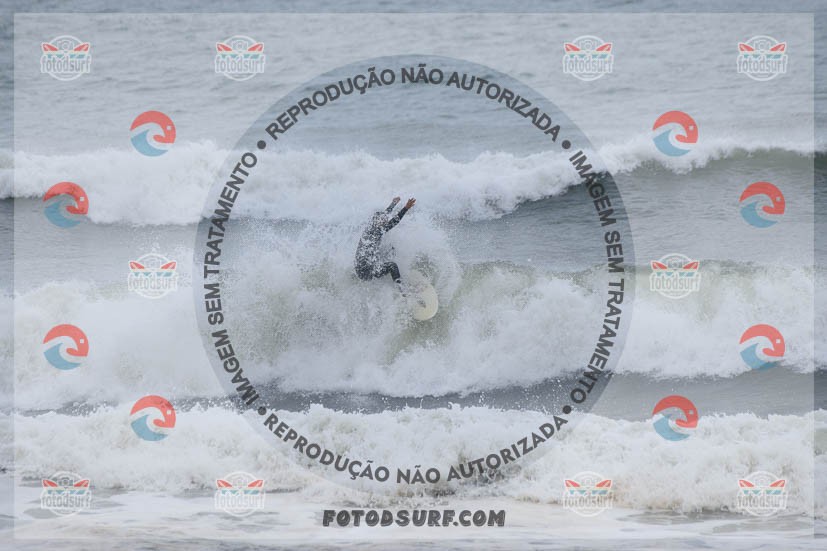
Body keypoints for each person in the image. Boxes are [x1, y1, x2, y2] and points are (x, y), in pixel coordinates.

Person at [355, 196, 416, 290]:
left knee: (391, 250)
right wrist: (405, 208)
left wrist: (393, 204)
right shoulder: (376, 231)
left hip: (361, 268)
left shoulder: (371, 228)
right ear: (375, 221)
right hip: (366, 271)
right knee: (392, 266)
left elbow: (384, 215)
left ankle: (394, 278)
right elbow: (394, 221)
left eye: (384, 220)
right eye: (382, 220)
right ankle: (402, 290)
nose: (384, 221)